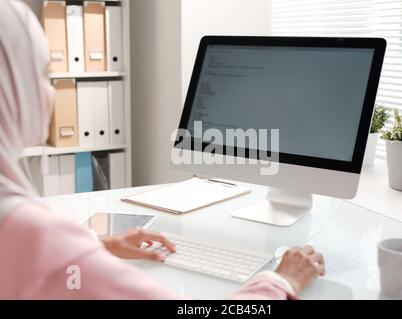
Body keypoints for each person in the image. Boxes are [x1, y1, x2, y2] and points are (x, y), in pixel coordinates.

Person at [0, 0, 325, 299]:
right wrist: (282, 281)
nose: (52, 91)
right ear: (10, 86)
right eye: (42, 73)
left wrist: (95, 247)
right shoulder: (34, 235)